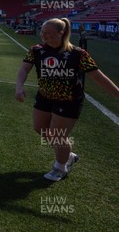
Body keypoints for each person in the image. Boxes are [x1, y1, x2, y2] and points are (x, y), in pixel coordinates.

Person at [15, 18, 119, 181]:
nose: (44, 35)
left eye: (48, 33)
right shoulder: (36, 50)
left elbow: (98, 77)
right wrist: (19, 87)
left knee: (58, 135)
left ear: (61, 33)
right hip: (44, 97)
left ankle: (60, 167)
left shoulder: (78, 54)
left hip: (69, 100)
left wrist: (117, 93)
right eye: (43, 32)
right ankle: (67, 155)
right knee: (40, 129)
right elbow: (24, 69)